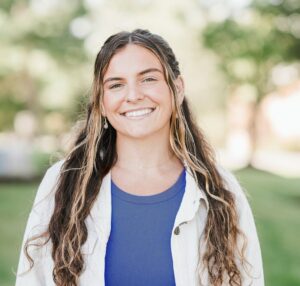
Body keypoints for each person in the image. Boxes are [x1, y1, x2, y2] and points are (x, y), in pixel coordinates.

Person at [16, 29, 264, 286]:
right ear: (101, 101)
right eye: (116, 84)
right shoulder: (62, 183)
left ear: (177, 89)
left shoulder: (221, 189)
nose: (133, 95)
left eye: (148, 79)